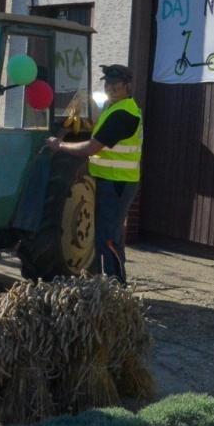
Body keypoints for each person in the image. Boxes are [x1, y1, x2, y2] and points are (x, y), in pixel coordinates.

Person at [44, 63, 143, 283]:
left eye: (115, 83)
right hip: (110, 181)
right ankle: (107, 284)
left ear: (128, 86)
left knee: (109, 238)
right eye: (107, 83)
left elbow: (90, 148)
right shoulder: (112, 107)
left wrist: (60, 145)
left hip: (117, 183)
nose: (109, 87)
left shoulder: (125, 114)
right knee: (105, 236)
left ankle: (116, 288)